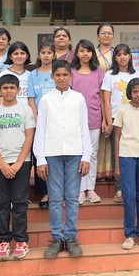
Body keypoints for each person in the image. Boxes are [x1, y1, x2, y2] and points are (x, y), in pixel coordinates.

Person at [34, 60, 92, 259]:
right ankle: (57, 238)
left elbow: (84, 128)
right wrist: (40, 158)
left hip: (75, 154)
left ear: (70, 76)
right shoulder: (45, 100)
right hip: (52, 155)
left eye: (64, 75)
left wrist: (86, 156)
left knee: (72, 198)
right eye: (57, 75)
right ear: (52, 77)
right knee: (56, 198)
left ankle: (71, 237)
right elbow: (40, 129)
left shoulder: (78, 98)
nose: (61, 78)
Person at [0, 73, 35, 261]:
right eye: (5, 88)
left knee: (20, 203)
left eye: (12, 88)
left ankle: (22, 241)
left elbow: (29, 136)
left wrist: (19, 162)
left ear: (18, 90)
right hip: (1, 164)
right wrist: (2, 163)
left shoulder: (26, 110)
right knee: (3, 204)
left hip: (21, 163)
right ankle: (4, 241)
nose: (8, 91)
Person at [114, 77, 139, 250]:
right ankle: (129, 234)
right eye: (135, 91)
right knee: (129, 196)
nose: (138, 95)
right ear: (129, 93)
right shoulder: (122, 110)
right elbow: (116, 137)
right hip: (126, 156)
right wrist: (116, 164)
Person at [101, 43, 139, 205]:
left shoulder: (138, 74)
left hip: (135, 121)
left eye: (125, 54)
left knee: (135, 154)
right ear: (115, 57)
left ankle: (135, 187)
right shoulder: (109, 75)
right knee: (117, 155)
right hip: (117, 121)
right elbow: (106, 99)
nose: (122, 57)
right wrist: (108, 121)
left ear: (130, 56)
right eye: (119, 54)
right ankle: (120, 189)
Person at [70, 39, 105, 204]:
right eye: (82, 51)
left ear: (92, 53)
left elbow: (103, 98)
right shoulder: (70, 72)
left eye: (88, 51)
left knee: (92, 154)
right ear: (77, 53)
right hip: (74, 121)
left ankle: (90, 188)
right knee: (78, 155)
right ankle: (79, 190)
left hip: (94, 118)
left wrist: (105, 119)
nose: (85, 54)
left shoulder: (99, 73)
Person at [28, 40, 55, 209]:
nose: (46, 56)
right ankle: (43, 192)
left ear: (54, 55)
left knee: (53, 157)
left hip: (55, 122)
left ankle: (52, 192)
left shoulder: (57, 73)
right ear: (39, 55)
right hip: (38, 121)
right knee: (40, 156)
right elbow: (31, 99)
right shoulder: (33, 75)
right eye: (43, 53)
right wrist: (37, 118)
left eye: (49, 53)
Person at [94, 23, 116, 183]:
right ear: (98, 36)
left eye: (109, 33)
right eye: (103, 33)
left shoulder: (118, 53)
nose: (106, 35)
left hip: (113, 97)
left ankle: (111, 170)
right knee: (99, 135)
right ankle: (98, 171)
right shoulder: (93, 54)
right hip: (96, 96)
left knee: (113, 135)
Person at [0, 41, 31, 106]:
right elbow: (0, 98)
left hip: (28, 114)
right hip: (8, 115)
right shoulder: (3, 74)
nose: (19, 56)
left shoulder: (31, 75)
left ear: (27, 56)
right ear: (10, 56)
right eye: (16, 53)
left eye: (22, 53)